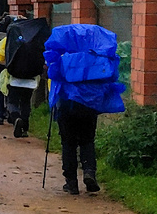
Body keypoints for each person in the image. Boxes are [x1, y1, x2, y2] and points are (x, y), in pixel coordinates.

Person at [44, 24, 125, 195]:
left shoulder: (64, 57)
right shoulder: (98, 57)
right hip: (90, 104)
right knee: (87, 140)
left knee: (68, 142)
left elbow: (53, 74)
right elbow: (112, 76)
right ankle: (89, 172)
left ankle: (71, 182)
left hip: (68, 103)